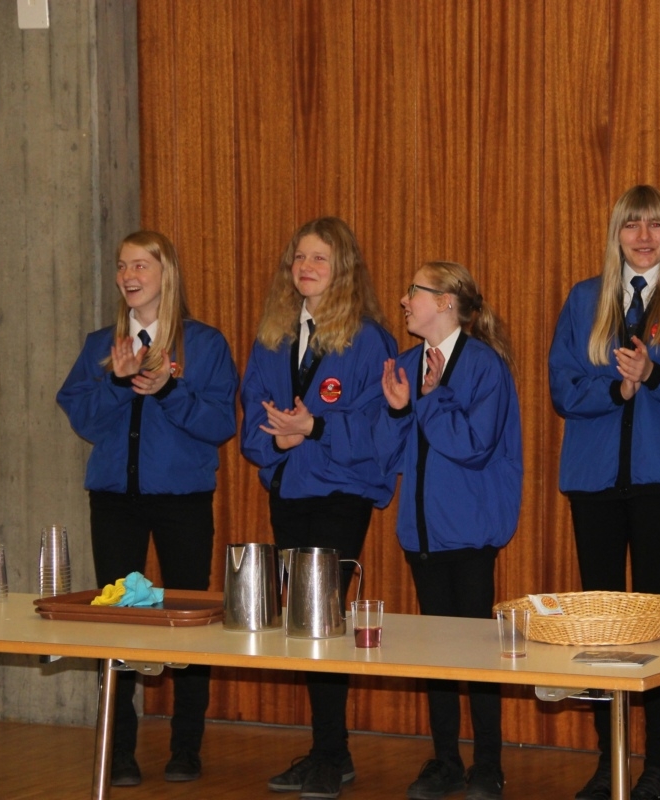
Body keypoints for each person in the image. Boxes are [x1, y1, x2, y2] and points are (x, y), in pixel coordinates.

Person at [548, 185, 660, 800]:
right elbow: (563, 387)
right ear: (616, 234)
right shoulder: (583, 298)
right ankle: (609, 761)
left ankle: (658, 767)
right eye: (631, 225)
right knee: (600, 630)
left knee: (656, 628)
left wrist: (654, 375)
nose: (644, 237)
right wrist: (614, 391)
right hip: (594, 483)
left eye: (655, 225)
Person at [56, 230, 239, 787]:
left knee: (189, 623)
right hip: (115, 502)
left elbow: (220, 423)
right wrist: (117, 382)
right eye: (122, 266)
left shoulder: (204, 344)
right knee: (114, 622)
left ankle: (186, 747)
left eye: (140, 265)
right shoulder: (101, 344)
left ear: (166, 274)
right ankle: (120, 750)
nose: (128, 276)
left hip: (183, 503)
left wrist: (168, 389)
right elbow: (83, 419)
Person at [240, 217, 397, 800]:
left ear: (344, 269)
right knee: (301, 620)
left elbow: (381, 424)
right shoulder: (274, 335)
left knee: (324, 617)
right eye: (299, 258)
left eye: (320, 259)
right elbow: (252, 407)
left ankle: (331, 754)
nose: (306, 267)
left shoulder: (369, 339)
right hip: (289, 490)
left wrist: (317, 426)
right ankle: (329, 748)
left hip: (340, 492)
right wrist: (279, 441)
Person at [376, 261, 522, 800]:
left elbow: (473, 445)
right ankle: (444, 761)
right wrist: (397, 412)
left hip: (469, 533)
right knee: (435, 653)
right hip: (422, 533)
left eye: (412, 291)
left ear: (444, 302)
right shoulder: (405, 364)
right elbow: (387, 452)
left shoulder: (484, 366)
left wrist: (431, 398)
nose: (403, 300)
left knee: (479, 652)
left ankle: (487, 764)